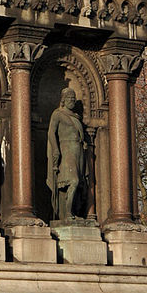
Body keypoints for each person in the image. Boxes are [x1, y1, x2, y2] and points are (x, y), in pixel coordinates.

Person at [46, 87, 86, 221]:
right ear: (63, 99)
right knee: (73, 181)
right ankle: (67, 213)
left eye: (73, 98)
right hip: (65, 150)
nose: (72, 101)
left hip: (78, 151)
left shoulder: (76, 117)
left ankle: (73, 212)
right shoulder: (58, 114)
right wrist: (55, 149)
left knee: (79, 183)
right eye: (69, 98)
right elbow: (51, 132)